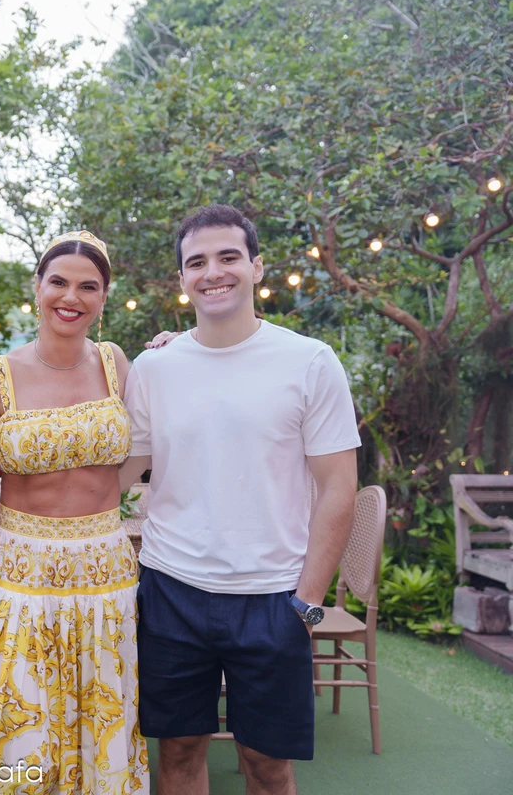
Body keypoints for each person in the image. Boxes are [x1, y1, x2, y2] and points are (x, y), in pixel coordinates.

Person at [119, 204, 360, 795]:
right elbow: (118, 476)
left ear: (256, 267)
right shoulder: (155, 367)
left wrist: (307, 602)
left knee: (267, 764)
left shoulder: (310, 361)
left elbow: (338, 488)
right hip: (171, 589)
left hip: (273, 596)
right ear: (181, 280)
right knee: (176, 753)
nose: (213, 272)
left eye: (228, 257)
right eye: (196, 262)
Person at [0, 230, 149, 794]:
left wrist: (174, 347)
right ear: (37, 287)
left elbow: (144, 449)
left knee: (101, 717)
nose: (71, 296)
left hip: (105, 569)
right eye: (58, 281)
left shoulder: (118, 365)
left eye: (89, 286)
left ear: (104, 297)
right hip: (18, 572)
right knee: (17, 723)